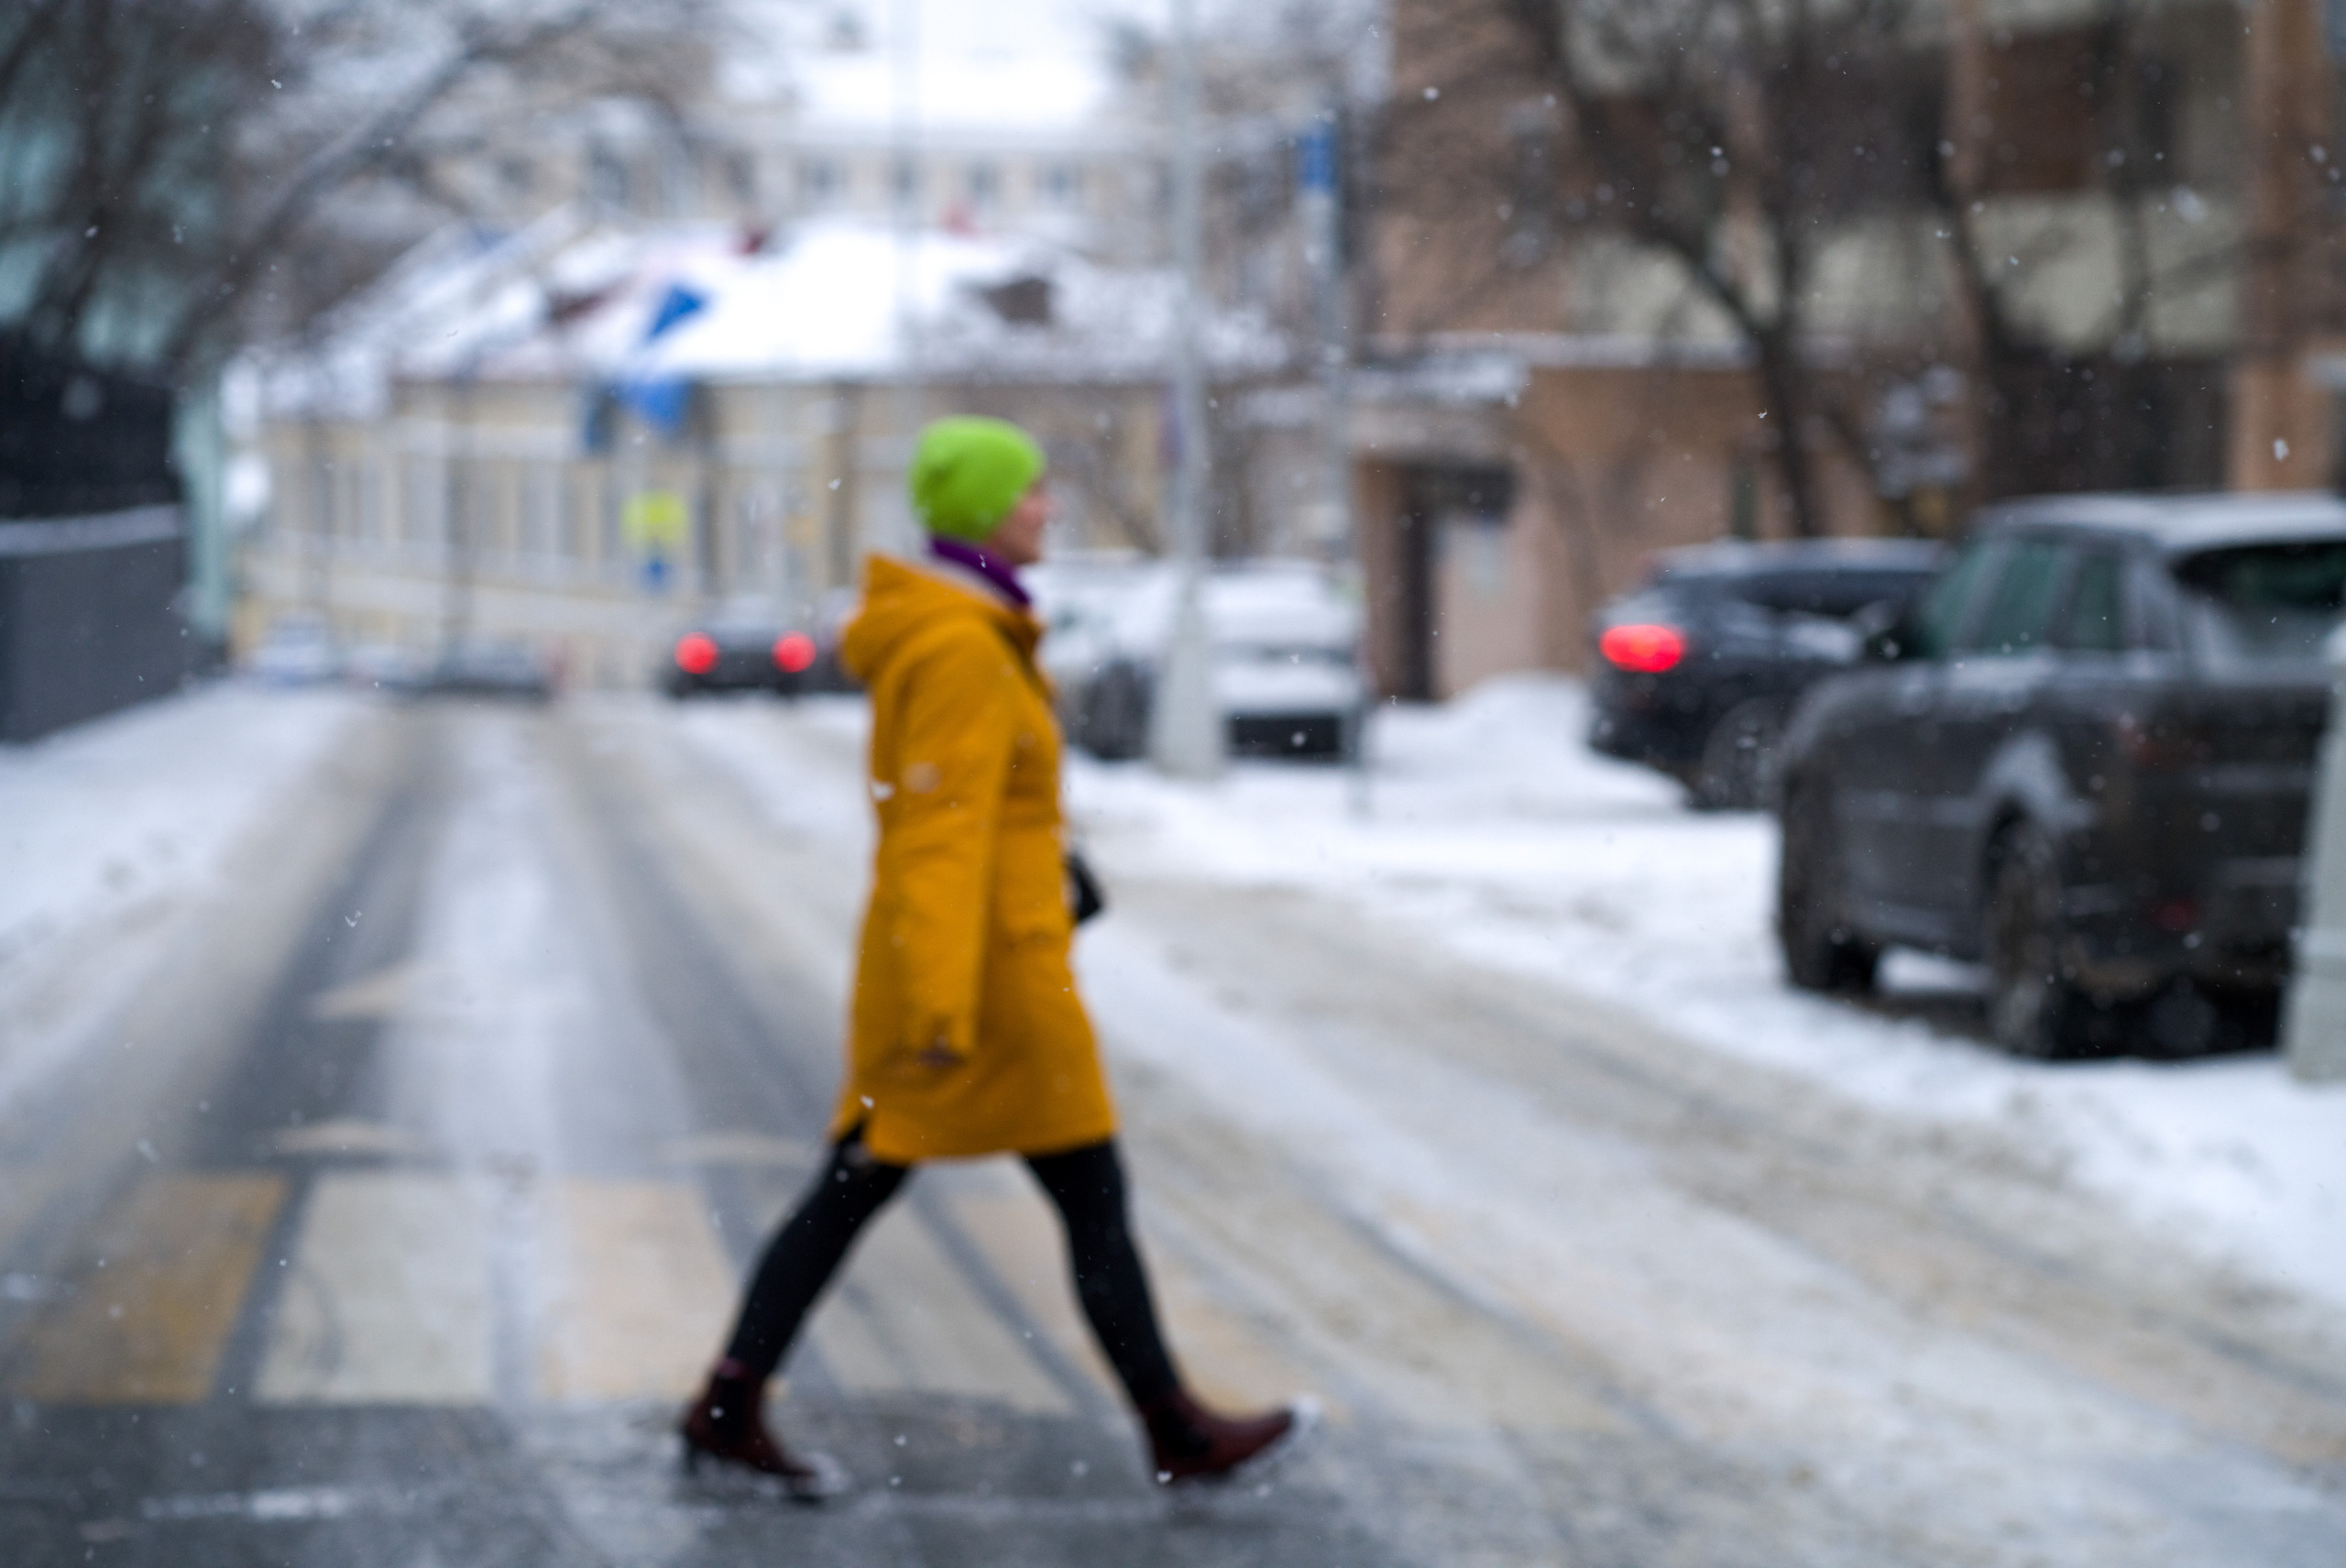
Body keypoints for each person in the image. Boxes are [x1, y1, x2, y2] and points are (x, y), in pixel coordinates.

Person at [677, 415, 1313, 1500]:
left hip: (988, 960)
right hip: (982, 984)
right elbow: (939, 831)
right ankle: (1175, 1430)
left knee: (872, 1191)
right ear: (979, 509)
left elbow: (985, 814)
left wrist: (1053, 866)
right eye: (1028, 493)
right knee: (1064, 1196)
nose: (1047, 507)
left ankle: (730, 1404)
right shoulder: (964, 647)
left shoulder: (974, 631)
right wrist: (934, 1009)